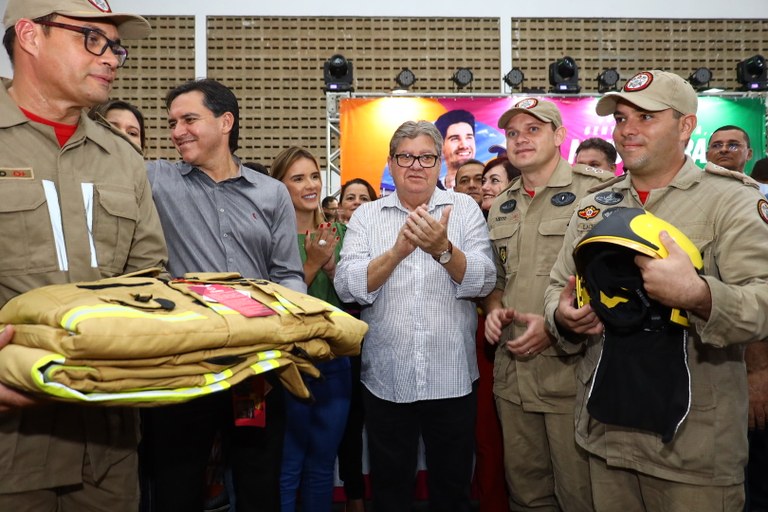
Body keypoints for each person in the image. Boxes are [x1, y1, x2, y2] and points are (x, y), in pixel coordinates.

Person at [545, 70, 768, 512]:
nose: (627, 130)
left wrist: (700, 295)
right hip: (606, 437)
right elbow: (558, 286)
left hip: (692, 450)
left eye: (646, 117)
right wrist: (562, 316)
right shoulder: (595, 206)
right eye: (621, 118)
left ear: (686, 127)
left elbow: (762, 302)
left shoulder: (731, 201)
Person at [0, 0, 167, 510]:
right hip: (10, 445)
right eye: (91, 39)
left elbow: (149, 277)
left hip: (107, 448)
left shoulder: (122, 157)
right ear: (29, 36)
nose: (111, 57)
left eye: (114, 46)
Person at [141, 78, 305, 512]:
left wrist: (286, 328)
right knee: (176, 487)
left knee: (258, 485)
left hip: (255, 367)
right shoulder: (156, 180)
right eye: (172, 123)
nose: (177, 132)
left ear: (225, 122)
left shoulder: (270, 192)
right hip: (184, 364)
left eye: (189, 120)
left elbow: (287, 273)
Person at [334, 120, 496, 512]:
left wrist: (444, 250)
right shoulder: (367, 216)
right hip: (387, 379)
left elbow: (484, 279)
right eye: (405, 157)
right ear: (391, 162)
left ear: (439, 162)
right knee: (390, 493)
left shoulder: (464, 209)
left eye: (425, 157)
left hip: (452, 376)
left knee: (452, 492)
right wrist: (396, 254)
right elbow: (346, 286)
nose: (415, 166)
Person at [484, 98, 612, 511]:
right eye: (513, 133)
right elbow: (498, 280)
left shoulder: (596, 191)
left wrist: (556, 322)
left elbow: (614, 278)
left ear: (559, 136)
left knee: (580, 495)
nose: (520, 139)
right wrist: (493, 310)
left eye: (533, 129)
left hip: (571, 372)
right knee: (526, 493)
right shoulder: (502, 203)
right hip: (513, 373)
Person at [270, 146, 351, 512]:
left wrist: (331, 268)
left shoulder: (341, 232)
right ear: (279, 186)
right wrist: (313, 264)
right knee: (288, 465)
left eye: (315, 176)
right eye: (298, 178)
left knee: (322, 465)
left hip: (334, 360)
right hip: (287, 363)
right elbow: (274, 303)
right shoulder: (272, 236)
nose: (310, 185)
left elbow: (353, 297)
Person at [705, 125, 767, 512]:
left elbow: (757, 293)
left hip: (751, 355)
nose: (724, 150)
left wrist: (758, 371)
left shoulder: (757, 201)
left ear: (748, 153)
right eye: (717, 145)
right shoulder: (698, 201)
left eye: (733, 145)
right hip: (710, 361)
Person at [434, 109, 476, 189]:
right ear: (441, 146)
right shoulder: (431, 190)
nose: (464, 145)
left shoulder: (489, 188)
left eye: (469, 137)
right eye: (455, 139)